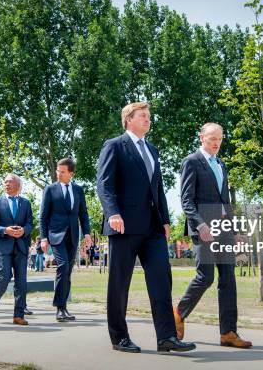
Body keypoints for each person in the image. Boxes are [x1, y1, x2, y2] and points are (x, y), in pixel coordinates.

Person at [96, 102, 196, 353]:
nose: (148, 120)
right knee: (119, 285)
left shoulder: (152, 149)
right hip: (123, 226)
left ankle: (166, 337)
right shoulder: (115, 146)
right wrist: (112, 213)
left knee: (162, 280)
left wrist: (164, 219)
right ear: (128, 119)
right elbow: (104, 185)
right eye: (143, 116)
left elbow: (158, 188)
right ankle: (119, 337)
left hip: (152, 228)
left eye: (149, 116)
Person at [174, 123, 252, 348]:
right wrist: (199, 225)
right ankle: (178, 313)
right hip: (204, 230)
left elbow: (225, 201)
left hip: (224, 230)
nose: (216, 143)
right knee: (205, 277)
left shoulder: (221, 165)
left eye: (219, 139)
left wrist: (234, 230)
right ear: (201, 138)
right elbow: (186, 200)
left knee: (228, 278)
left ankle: (228, 332)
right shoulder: (191, 162)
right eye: (211, 139)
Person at [40, 157, 92, 322]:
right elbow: (43, 216)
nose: (58, 174)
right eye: (57, 170)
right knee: (62, 266)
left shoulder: (78, 190)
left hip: (73, 236)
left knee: (68, 272)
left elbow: (83, 214)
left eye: (62, 172)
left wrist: (87, 234)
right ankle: (59, 307)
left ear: (71, 173)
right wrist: (43, 238)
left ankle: (64, 308)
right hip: (56, 235)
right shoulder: (50, 189)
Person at [0, 173, 33, 326]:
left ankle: (18, 315)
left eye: (10, 182)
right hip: (3, 247)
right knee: (3, 277)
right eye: (5, 182)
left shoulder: (26, 203)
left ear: (18, 185)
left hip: (21, 246)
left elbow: (30, 224)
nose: (7, 184)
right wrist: (5, 230)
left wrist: (24, 231)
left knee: (21, 281)